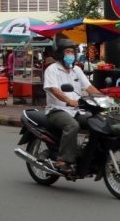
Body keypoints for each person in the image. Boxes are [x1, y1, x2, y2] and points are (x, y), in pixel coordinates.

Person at [43, 38, 103, 176]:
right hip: (56, 110)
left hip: (76, 110)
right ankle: (62, 160)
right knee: (72, 126)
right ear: (60, 53)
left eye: (72, 52)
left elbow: (88, 87)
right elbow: (54, 90)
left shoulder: (76, 70)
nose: (71, 55)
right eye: (67, 52)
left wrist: (103, 98)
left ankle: (88, 153)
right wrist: (68, 100)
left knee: (96, 121)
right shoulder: (52, 70)